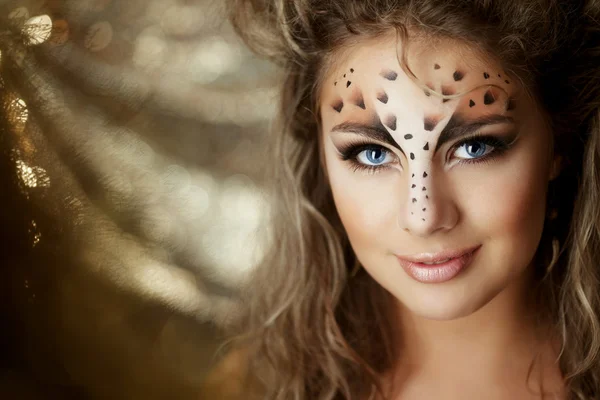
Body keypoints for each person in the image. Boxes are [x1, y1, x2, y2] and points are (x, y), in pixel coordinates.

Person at [211, 0, 600, 398]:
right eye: (372, 154)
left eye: (474, 147)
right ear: (320, 158)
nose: (423, 216)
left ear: (559, 144)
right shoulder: (263, 382)